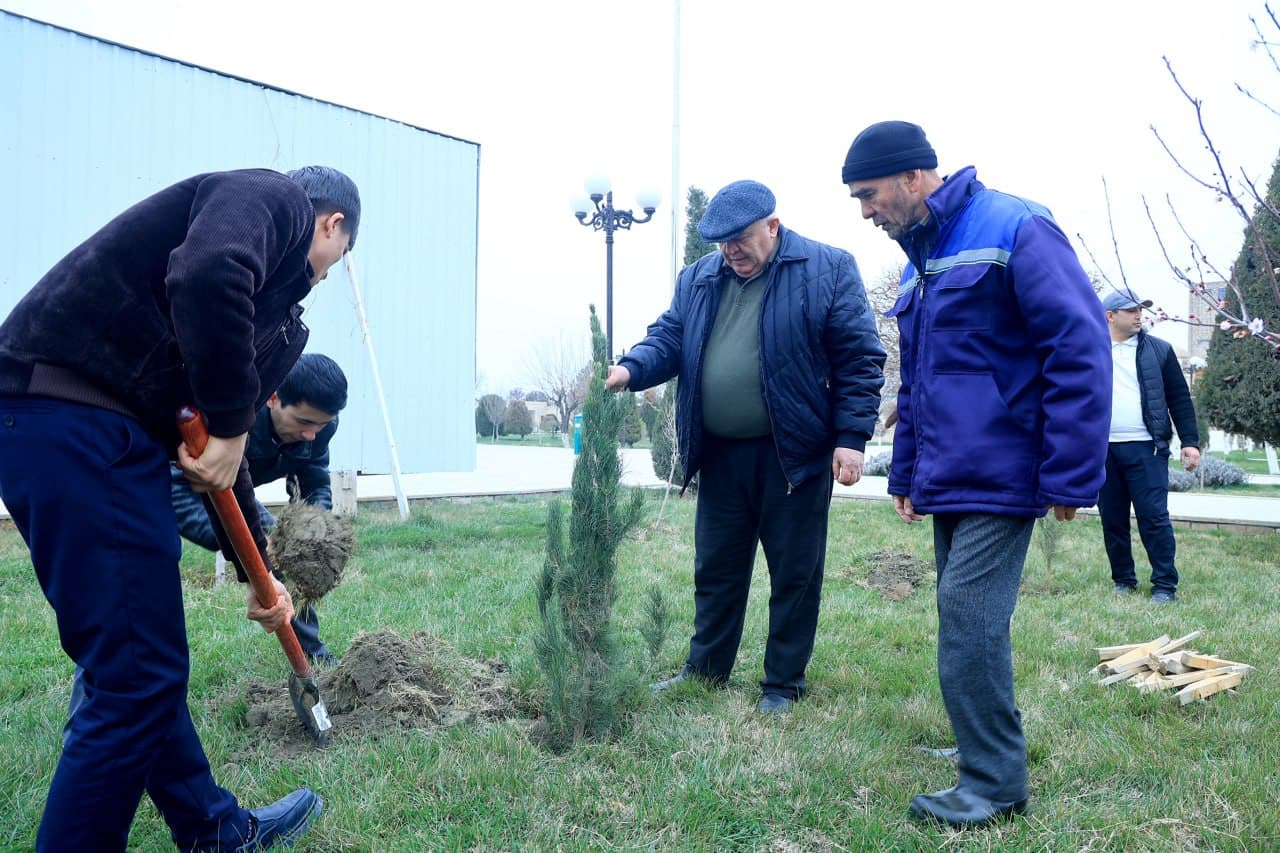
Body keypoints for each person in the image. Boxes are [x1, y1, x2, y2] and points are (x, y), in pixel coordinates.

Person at [0, 165, 360, 851]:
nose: (326, 273)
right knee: (132, 683)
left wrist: (263, 569)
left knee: (140, 662)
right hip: (75, 415)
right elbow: (206, 271)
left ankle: (212, 827)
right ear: (333, 224)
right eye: (339, 257)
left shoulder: (274, 318)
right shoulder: (274, 199)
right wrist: (229, 423)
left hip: (87, 431)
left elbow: (228, 461)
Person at [842, 121, 1111, 828]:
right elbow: (921, 384)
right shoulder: (916, 263)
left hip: (1008, 469)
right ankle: (981, 744)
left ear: (912, 177)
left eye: (868, 195)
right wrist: (904, 471)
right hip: (952, 473)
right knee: (965, 619)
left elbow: (1079, 348)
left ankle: (993, 782)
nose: (864, 211)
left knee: (967, 617)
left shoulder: (1017, 226)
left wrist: (1071, 478)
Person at [606, 179, 885, 715]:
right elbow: (670, 335)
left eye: (740, 238)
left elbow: (859, 359)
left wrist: (851, 439)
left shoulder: (826, 269)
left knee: (795, 573)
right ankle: (706, 670)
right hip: (721, 454)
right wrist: (632, 367)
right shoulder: (700, 278)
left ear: (773, 226)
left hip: (793, 453)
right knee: (716, 568)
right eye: (722, 242)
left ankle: (782, 684)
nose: (731, 251)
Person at [171, 351, 348, 663]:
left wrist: (316, 533)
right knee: (259, 549)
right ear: (273, 398)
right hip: (176, 478)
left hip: (234, 485)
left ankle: (313, 655)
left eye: (322, 425)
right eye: (304, 421)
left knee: (293, 557)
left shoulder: (318, 428)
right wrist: (249, 549)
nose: (311, 434)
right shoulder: (236, 416)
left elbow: (314, 480)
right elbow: (177, 488)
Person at [1099, 288, 1200, 603]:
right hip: (1103, 450)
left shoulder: (1159, 350)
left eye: (1141, 309)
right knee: (1112, 518)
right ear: (1110, 316)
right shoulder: (1090, 350)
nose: (1139, 315)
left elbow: (1179, 398)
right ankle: (1123, 580)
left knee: (1153, 518)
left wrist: (1190, 442)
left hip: (1147, 448)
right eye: (1131, 310)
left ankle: (1164, 586)